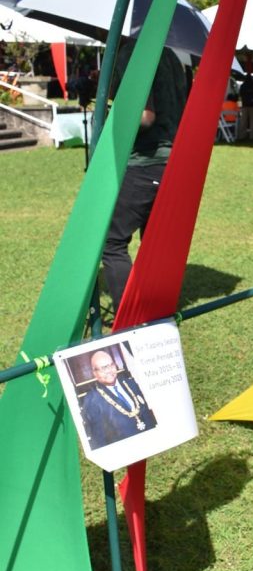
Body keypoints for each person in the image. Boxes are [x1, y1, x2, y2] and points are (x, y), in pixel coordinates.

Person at [102, 42, 189, 313]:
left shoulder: (133, 52)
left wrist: (109, 120)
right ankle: (157, 312)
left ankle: (130, 319)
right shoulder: (171, 55)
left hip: (144, 161)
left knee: (112, 243)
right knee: (155, 243)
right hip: (172, 162)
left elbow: (145, 117)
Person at [80, 349, 157, 450]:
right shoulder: (92, 400)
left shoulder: (130, 383)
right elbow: (99, 440)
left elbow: (146, 414)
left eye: (111, 365)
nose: (109, 370)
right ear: (95, 373)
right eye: (104, 368)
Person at [238, 71, 253, 141]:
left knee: (243, 121)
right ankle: (252, 136)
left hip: (245, 105)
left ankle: (242, 135)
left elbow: (240, 94)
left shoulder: (243, 85)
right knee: (252, 121)